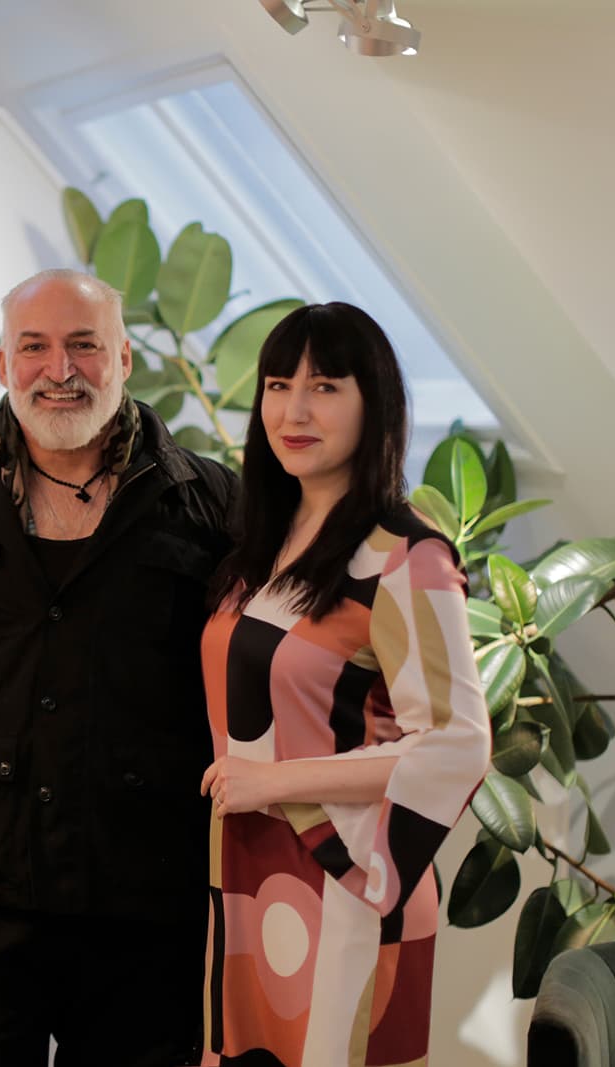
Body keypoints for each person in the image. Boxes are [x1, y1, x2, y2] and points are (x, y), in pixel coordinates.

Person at [0, 269, 236, 1066]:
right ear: (4, 366)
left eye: (84, 345)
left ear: (122, 357)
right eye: (35, 347)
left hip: (146, 905)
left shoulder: (212, 502)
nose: (60, 369)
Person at [197, 302, 491, 1066]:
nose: (293, 410)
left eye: (325, 386)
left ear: (375, 403)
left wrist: (275, 781)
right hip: (250, 875)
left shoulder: (407, 558)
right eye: (276, 384)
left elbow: (458, 743)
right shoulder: (263, 542)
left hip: (346, 878)